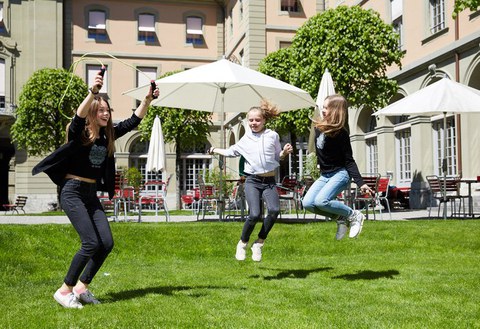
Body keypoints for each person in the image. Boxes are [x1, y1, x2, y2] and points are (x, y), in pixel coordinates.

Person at [32, 69, 159, 308]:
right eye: (100, 110)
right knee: (90, 242)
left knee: (106, 243)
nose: (106, 113)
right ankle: (64, 290)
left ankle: (81, 288)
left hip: (91, 194)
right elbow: (78, 118)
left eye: (107, 110)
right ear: (92, 112)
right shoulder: (79, 133)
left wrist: (147, 100)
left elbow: (134, 121)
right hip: (72, 191)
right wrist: (93, 93)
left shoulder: (107, 135)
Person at [209, 100, 292, 262]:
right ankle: (242, 242)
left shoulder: (272, 136)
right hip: (252, 181)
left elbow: (277, 156)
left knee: (274, 210)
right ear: (248, 121)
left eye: (257, 120)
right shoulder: (245, 140)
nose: (254, 123)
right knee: (254, 214)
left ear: (264, 121)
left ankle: (259, 242)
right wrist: (214, 149)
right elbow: (230, 151)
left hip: (269, 181)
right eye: (251, 120)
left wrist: (284, 152)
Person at [302, 94, 373, 240]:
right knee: (308, 203)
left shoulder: (341, 134)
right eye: (323, 107)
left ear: (335, 111)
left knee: (321, 201)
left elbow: (349, 160)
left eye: (326, 108)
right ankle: (341, 218)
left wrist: (361, 183)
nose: (323, 111)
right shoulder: (318, 129)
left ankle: (354, 216)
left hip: (340, 174)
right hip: (325, 175)